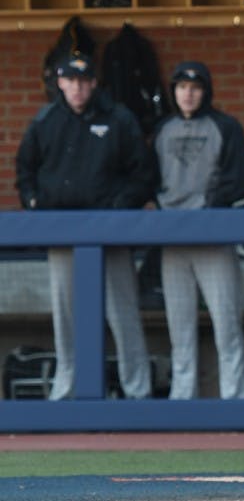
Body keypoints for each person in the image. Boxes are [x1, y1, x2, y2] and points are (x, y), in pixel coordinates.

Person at [15, 51, 158, 400]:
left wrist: (120, 208)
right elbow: (25, 168)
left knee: (122, 311)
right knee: (67, 316)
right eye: (70, 81)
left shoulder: (118, 118)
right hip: (62, 233)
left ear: (94, 83)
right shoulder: (45, 120)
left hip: (109, 232)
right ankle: (68, 389)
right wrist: (34, 201)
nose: (77, 88)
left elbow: (143, 173)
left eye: (83, 81)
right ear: (60, 83)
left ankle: (137, 390)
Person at [151, 61, 244, 399]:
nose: (188, 94)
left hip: (213, 239)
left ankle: (236, 400)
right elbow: (146, 177)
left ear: (205, 91)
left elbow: (240, 180)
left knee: (228, 326)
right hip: (172, 241)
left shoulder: (226, 126)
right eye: (181, 87)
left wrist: (210, 204)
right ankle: (182, 400)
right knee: (179, 330)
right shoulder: (160, 128)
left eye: (195, 88)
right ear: (173, 92)